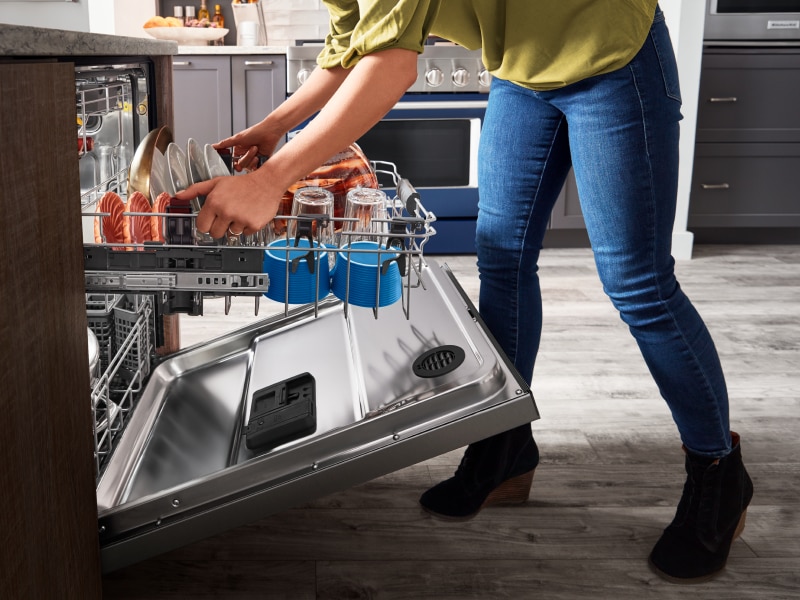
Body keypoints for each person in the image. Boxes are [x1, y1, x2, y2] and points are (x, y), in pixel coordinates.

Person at [179, 1, 753, 583]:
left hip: (609, 52)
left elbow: (392, 66)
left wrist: (270, 179)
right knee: (503, 261)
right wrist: (275, 127)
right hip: (523, 71)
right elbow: (350, 48)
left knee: (638, 283)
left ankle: (717, 470)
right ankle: (505, 446)